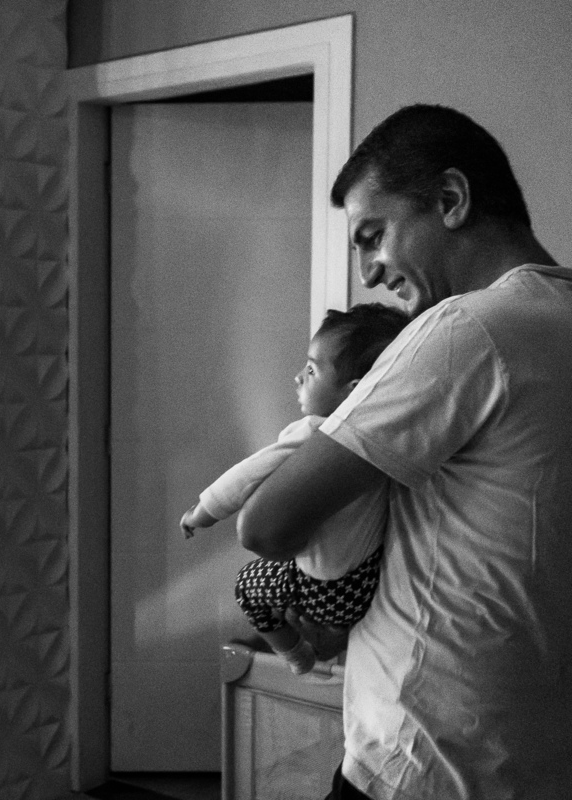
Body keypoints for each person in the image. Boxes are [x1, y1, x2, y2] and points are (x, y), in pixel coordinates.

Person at [236, 104, 572, 799]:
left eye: (374, 234)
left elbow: (265, 524)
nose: (368, 272)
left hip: (423, 759)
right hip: (537, 753)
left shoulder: (467, 329)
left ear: (450, 200)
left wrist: (318, 607)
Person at [180, 304, 408, 675]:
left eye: (312, 370)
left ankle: (296, 655)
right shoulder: (388, 437)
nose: (298, 377)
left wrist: (202, 512)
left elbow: (245, 476)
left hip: (328, 591)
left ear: (354, 392)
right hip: (366, 584)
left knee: (246, 586)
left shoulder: (315, 434)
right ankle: (327, 635)